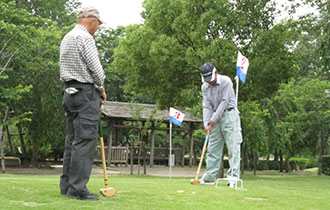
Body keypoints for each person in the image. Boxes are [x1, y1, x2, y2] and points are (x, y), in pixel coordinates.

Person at [59, 7, 107, 200]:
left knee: (72, 140)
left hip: (69, 92)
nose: (97, 28)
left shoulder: (67, 37)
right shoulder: (85, 38)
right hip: (85, 92)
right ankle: (77, 189)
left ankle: (67, 186)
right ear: (92, 21)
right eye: (98, 24)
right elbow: (96, 69)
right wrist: (101, 87)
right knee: (85, 140)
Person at [199, 62, 243, 185]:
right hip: (214, 117)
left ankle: (233, 177)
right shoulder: (205, 87)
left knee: (233, 147)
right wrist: (206, 123)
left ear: (216, 72)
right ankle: (209, 177)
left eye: (210, 78)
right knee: (213, 148)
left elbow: (224, 102)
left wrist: (212, 119)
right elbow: (206, 105)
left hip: (230, 115)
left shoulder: (226, 82)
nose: (209, 82)